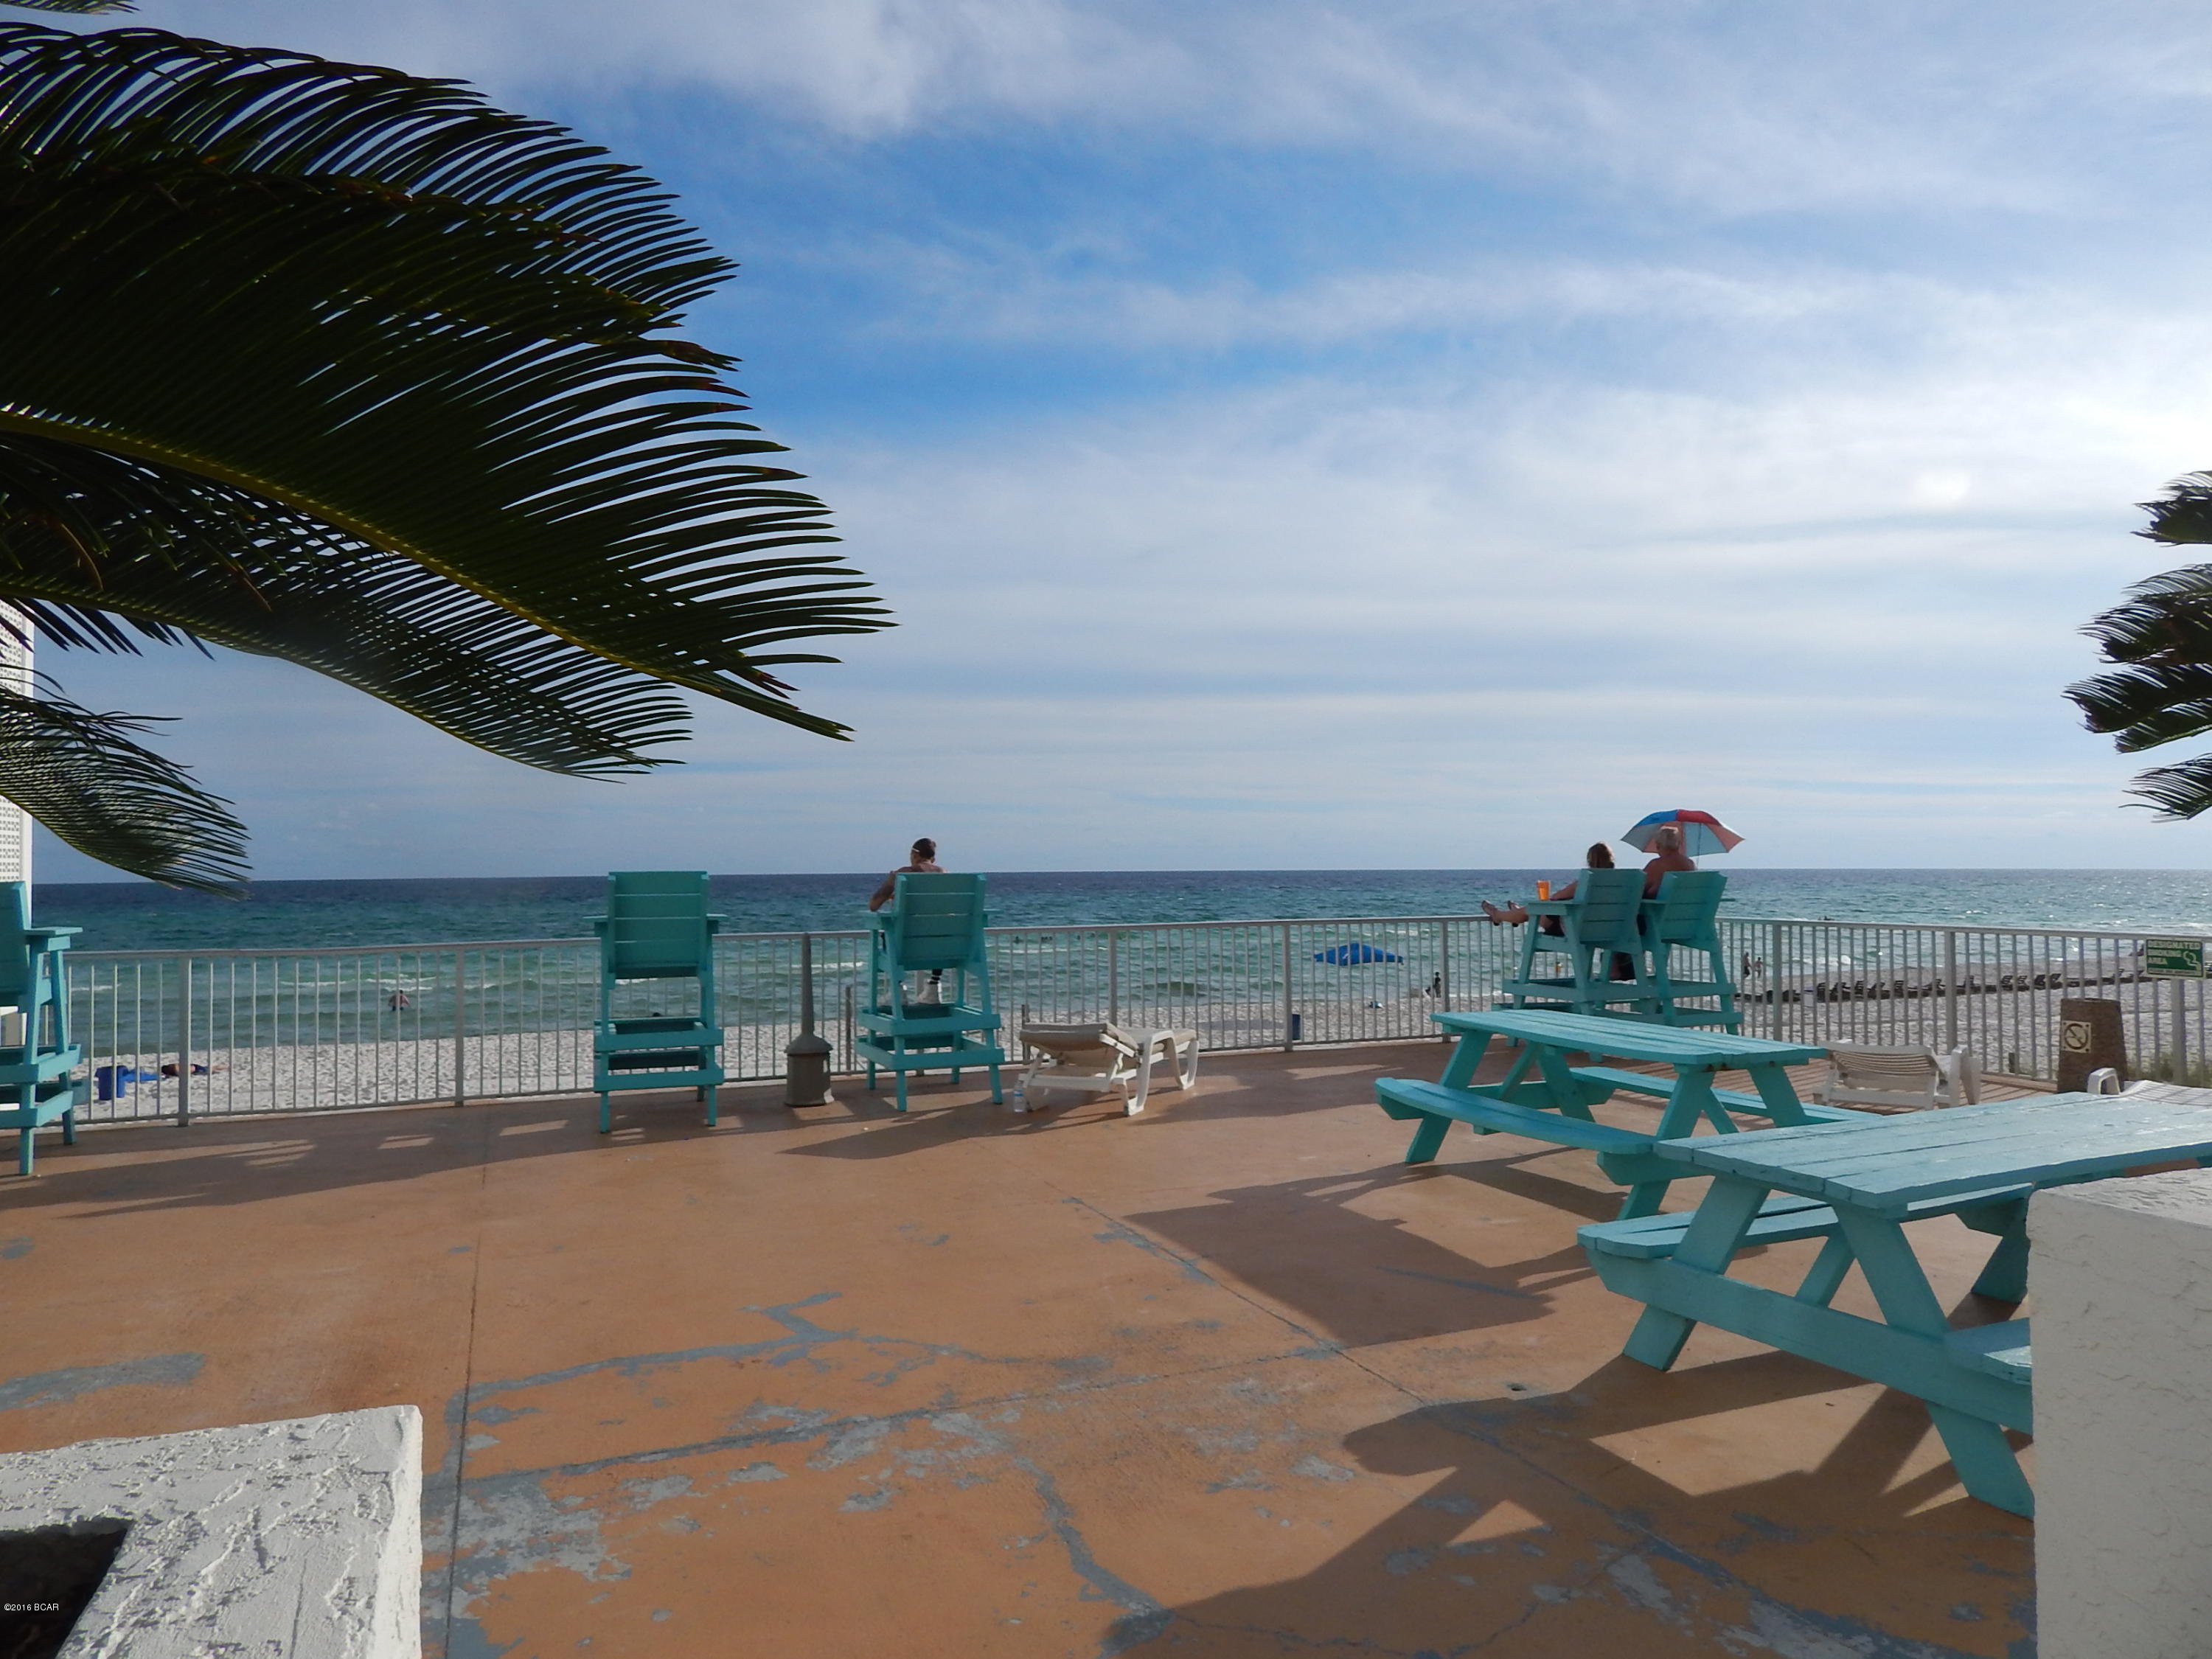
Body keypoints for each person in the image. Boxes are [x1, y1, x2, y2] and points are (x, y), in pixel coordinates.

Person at [869, 837, 946, 1002]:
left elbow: (874, 905)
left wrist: (891, 889)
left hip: (906, 946)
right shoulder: (944, 875)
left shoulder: (902, 874)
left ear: (914, 854)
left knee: (887, 935)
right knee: (939, 929)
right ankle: (934, 986)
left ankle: (898, 989)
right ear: (933, 859)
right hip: (941, 948)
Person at [1481, 843, 1616, 930]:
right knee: (1530, 911)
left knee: (1532, 910)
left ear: (1590, 861)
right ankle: (1515, 912)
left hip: (1578, 932)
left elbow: (1556, 898)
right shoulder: (1623, 884)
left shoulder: (1586, 882)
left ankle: (1498, 915)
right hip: (1612, 930)